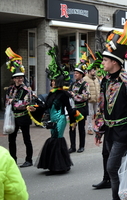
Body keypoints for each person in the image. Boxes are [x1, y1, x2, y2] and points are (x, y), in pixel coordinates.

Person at [93, 10, 127, 200]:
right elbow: (101, 106)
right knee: (113, 166)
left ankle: (119, 198)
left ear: (115, 62)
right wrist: (99, 130)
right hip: (109, 130)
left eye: (106, 60)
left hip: (123, 131)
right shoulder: (105, 80)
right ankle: (122, 195)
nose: (103, 62)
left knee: (112, 167)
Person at [28, 44, 82, 174]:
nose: (51, 82)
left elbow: (70, 108)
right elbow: (45, 106)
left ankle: (58, 166)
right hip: (52, 119)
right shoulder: (52, 94)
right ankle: (57, 165)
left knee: (56, 139)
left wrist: (73, 122)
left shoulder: (63, 94)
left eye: (53, 80)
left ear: (58, 81)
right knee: (54, 138)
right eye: (51, 80)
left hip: (61, 120)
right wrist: (35, 108)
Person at [5, 47, 33, 168]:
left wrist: (13, 102)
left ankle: (29, 159)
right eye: (17, 77)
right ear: (14, 79)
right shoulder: (10, 89)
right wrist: (11, 102)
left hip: (24, 117)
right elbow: (6, 101)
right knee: (11, 140)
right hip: (13, 118)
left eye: (21, 77)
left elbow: (26, 104)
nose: (19, 79)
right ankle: (13, 161)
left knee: (26, 139)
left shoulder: (27, 89)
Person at [68, 53, 90, 153]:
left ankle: (82, 146)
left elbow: (85, 97)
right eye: (75, 73)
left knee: (81, 128)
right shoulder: (72, 84)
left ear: (81, 74)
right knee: (72, 127)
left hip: (82, 108)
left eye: (77, 73)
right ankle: (72, 146)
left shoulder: (85, 84)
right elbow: (69, 95)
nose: (75, 74)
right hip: (73, 109)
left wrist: (73, 95)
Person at [83, 63, 101, 135]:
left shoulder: (96, 79)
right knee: (89, 115)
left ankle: (97, 127)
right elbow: (85, 89)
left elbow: (98, 88)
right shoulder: (85, 79)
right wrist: (88, 96)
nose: (94, 72)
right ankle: (89, 128)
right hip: (90, 100)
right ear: (89, 71)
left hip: (96, 99)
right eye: (93, 71)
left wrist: (99, 96)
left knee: (97, 114)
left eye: (94, 70)